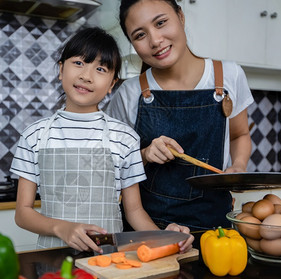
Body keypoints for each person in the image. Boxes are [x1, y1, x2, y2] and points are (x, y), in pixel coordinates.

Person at [10, 27, 194, 253]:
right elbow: (23, 213)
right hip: (53, 259)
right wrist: (62, 228)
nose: (86, 76)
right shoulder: (34, 135)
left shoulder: (125, 139)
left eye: (100, 69)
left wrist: (165, 237)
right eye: (78, 63)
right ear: (61, 69)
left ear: (111, 84)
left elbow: (134, 212)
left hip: (108, 260)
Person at [106, 0, 254, 231]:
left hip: (215, 229)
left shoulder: (229, 75)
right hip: (148, 230)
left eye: (161, 23)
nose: (155, 40)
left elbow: (239, 135)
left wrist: (239, 165)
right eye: (140, 35)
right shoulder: (129, 92)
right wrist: (144, 154)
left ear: (181, 16)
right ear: (133, 44)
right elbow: (112, 164)